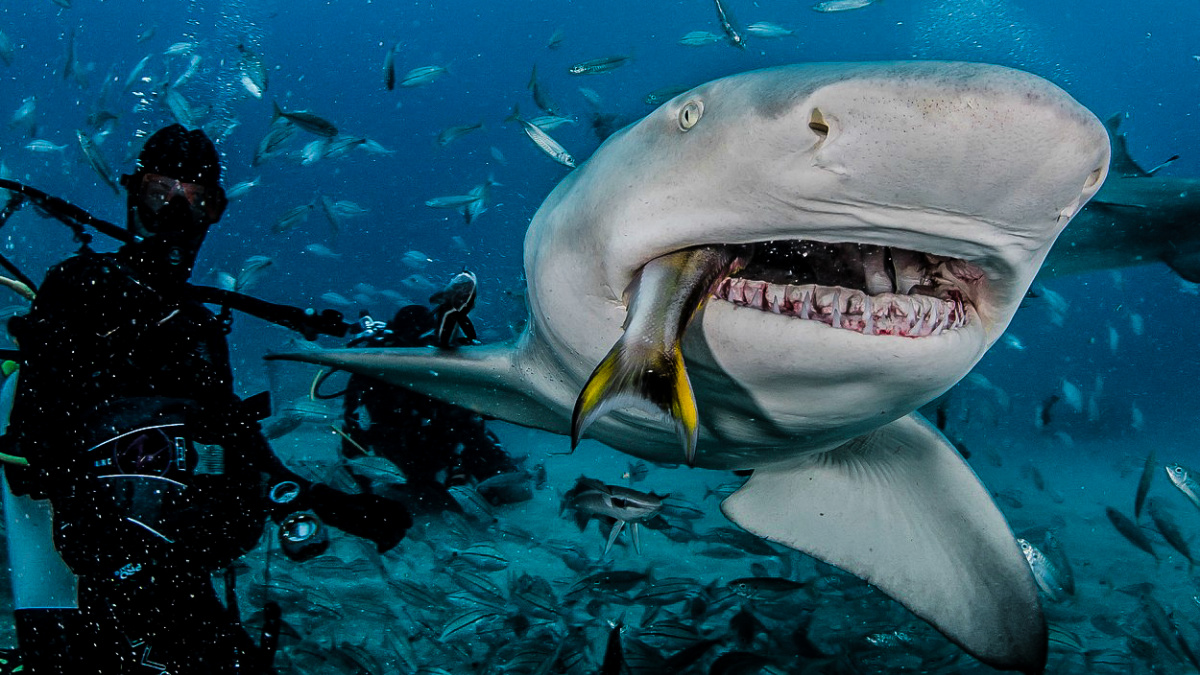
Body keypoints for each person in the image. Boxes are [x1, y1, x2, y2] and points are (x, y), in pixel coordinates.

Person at [2, 124, 411, 674]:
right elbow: (34, 438)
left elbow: (234, 438)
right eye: (159, 193)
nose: (175, 214)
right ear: (132, 197)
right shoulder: (81, 285)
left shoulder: (199, 330)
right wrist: (101, 534)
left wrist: (320, 500)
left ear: (215, 213)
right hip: (90, 572)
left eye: (194, 201)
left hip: (176, 563)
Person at [335, 294, 524, 514]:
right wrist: (361, 487)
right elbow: (353, 428)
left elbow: (476, 416)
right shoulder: (375, 371)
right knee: (421, 495)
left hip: (446, 437)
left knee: (506, 483)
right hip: (402, 450)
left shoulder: (443, 362)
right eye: (417, 345)